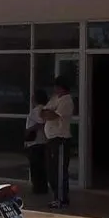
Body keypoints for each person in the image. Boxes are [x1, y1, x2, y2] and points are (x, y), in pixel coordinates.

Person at [40, 76, 75, 209]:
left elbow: (53, 115)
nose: (55, 89)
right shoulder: (55, 99)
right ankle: (56, 196)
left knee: (59, 170)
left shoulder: (67, 100)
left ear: (62, 87)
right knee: (51, 170)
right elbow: (43, 113)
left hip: (60, 139)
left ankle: (62, 199)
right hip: (51, 139)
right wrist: (48, 112)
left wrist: (50, 112)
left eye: (56, 86)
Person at [24, 89, 49, 195]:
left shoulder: (37, 111)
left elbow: (41, 123)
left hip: (35, 142)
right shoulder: (46, 110)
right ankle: (43, 187)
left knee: (36, 167)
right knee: (42, 167)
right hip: (43, 142)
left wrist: (30, 130)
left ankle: (38, 189)